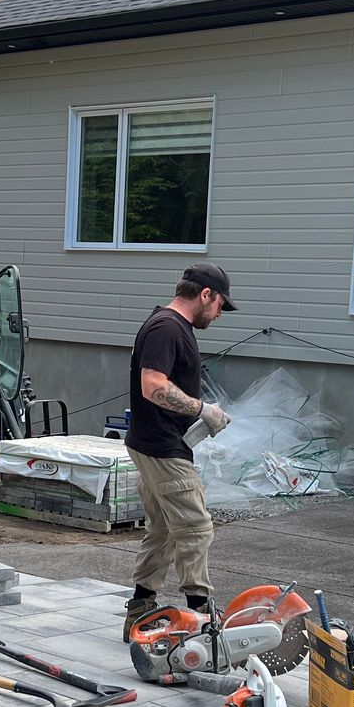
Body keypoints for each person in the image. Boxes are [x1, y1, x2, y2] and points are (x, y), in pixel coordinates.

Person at [124, 263, 235, 635]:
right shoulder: (167, 328)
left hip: (154, 443)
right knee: (196, 528)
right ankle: (202, 619)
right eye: (220, 304)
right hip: (162, 447)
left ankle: (139, 612)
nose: (219, 314)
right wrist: (203, 409)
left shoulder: (169, 326)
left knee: (163, 529)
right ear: (205, 294)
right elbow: (152, 386)